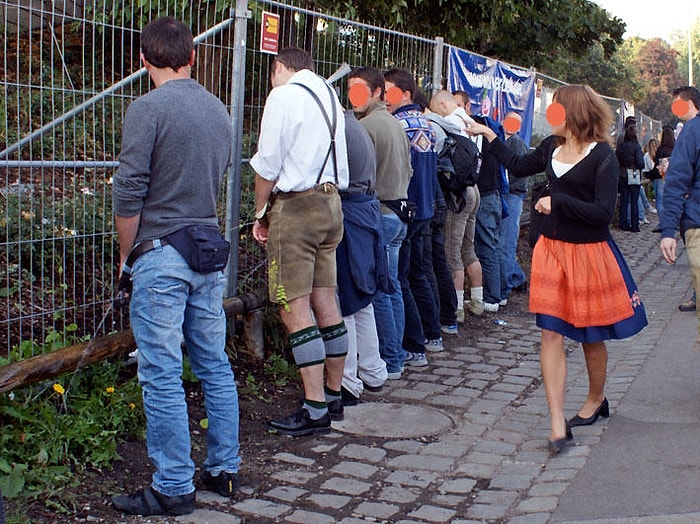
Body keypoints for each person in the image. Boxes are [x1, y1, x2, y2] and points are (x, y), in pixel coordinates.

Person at [466, 84, 647, 453]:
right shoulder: (550, 147)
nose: (550, 116)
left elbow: (601, 212)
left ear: (574, 113)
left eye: (555, 110)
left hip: (590, 253)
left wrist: (559, 201)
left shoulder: (603, 157)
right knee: (550, 333)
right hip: (550, 251)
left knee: (590, 335)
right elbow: (517, 165)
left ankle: (596, 398)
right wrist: (489, 134)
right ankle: (556, 424)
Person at [111, 17, 241, 516]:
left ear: (143, 60)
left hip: (161, 255)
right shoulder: (218, 109)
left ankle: (172, 484)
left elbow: (128, 193)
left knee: (161, 371)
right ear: (192, 57)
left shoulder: (147, 108)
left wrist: (127, 255)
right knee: (214, 363)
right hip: (207, 253)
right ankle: (224, 469)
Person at [251, 48, 350, 436]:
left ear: (279, 68)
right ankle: (334, 393)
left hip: (297, 208)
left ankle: (314, 410)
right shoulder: (328, 93)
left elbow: (267, 164)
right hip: (331, 205)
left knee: (293, 308)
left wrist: (260, 213)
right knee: (325, 299)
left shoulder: (284, 94)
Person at [348, 66, 412, 379]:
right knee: (393, 287)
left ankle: (390, 359)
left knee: (379, 293)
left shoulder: (367, 127)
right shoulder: (395, 123)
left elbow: (360, 176)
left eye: (360, 90)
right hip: (399, 213)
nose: (353, 97)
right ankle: (395, 354)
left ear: (377, 93)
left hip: (381, 215)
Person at [384, 68, 442, 365]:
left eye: (389, 91)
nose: (385, 97)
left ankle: (413, 344)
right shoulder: (427, 123)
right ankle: (433, 335)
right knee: (418, 274)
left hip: (405, 209)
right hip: (426, 208)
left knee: (401, 279)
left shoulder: (397, 124)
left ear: (405, 93)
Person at [337, 109, 389, 404]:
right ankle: (372, 371)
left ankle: (347, 379)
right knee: (362, 299)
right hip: (365, 213)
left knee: (346, 300)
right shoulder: (355, 127)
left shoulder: (339, 129)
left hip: (351, 215)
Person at [428, 90, 485, 320]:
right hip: (474, 188)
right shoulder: (470, 121)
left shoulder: (448, 123)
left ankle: (457, 307)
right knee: (467, 247)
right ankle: (478, 300)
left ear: (443, 105)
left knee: (451, 252)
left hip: (458, 192)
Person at [660, 85, 700, 345]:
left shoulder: (692, 131)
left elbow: (676, 181)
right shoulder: (691, 131)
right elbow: (678, 180)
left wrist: (668, 231)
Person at [501, 111, 529, 295]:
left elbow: (520, 171)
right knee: (504, 241)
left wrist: (506, 184)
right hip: (508, 194)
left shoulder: (516, 143)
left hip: (512, 195)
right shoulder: (506, 141)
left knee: (506, 242)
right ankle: (516, 278)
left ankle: (511, 282)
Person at [616, 125, 645, 233]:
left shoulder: (621, 147)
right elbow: (640, 162)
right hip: (634, 174)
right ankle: (634, 225)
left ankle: (623, 223)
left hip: (623, 174)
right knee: (634, 201)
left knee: (624, 200)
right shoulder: (636, 147)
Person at [651, 126, 676, 232]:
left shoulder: (661, 150)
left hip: (661, 178)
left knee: (660, 202)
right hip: (673, 178)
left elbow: (656, 163)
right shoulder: (676, 149)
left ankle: (663, 223)